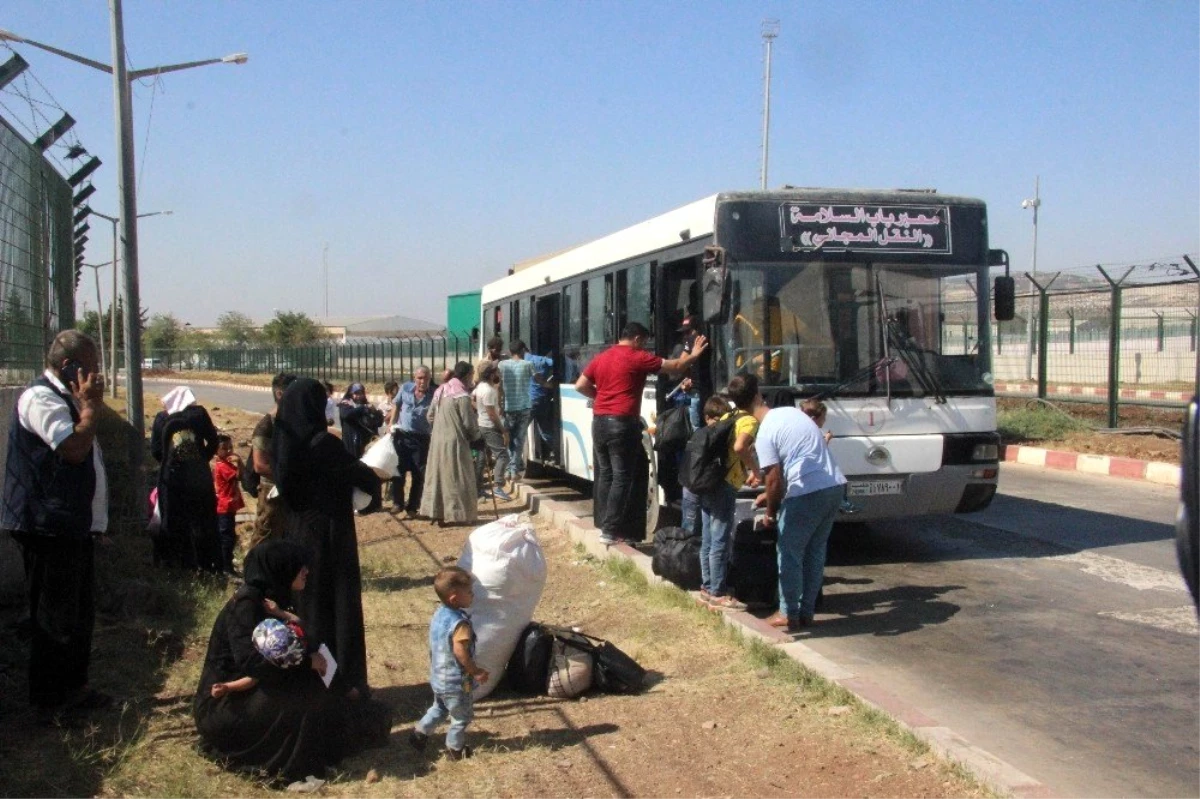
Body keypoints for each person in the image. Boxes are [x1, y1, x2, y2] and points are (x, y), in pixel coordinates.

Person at [1, 330, 111, 717]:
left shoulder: (68, 398)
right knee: (54, 617)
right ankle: (50, 702)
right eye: (92, 368)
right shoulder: (40, 398)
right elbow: (75, 450)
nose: (96, 377)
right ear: (69, 367)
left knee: (78, 614)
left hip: (71, 525)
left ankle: (75, 690)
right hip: (46, 525)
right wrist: (92, 407)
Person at [193, 540, 344, 785]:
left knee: (314, 687)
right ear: (280, 568)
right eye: (299, 566)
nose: (306, 571)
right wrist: (306, 663)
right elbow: (251, 663)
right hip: (223, 704)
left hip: (249, 689)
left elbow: (301, 641)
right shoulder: (247, 604)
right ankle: (292, 767)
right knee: (300, 690)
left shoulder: (273, 598)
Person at [274, 378, 381, 698]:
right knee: (338, 605)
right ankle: (344, 681)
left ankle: (313, 680)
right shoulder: (324, 445)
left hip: (297, 534)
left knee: (308, 607)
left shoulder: (286, 443)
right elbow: (363, 476)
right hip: (330, 535)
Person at [574, 322, 709, 544]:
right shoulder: (637, 357)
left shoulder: (601, 358)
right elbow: (676, 366)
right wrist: (693, 354)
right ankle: (610, 530)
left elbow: (580, 385)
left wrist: (600, 397)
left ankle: (603, 525)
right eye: (644, 342)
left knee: (605, 474)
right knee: (622, 476)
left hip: (599, 423)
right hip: (622, 423)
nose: (644, 346)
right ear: (637, 339)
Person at [753, 393, 847, 632]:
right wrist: (773, 494)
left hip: (809, 492)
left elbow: (773, 478)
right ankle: (807, 613)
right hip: (834, 486)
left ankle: (788, 612)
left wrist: (771, 513)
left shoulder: (765, 431)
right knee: (815, 551)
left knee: (789, 552)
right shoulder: (794, 416)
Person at [409, 566, 489, 761]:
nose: (472, 596)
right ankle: (455, 749)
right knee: (461, 717)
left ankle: (419, 733)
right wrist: (475, 671)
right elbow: (460, 651)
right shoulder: (460, 624)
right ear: (455, 598)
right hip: (455, 682)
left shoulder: (439, 615)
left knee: (439, 708)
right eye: (469, 592)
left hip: (438, 677)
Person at [699, 376, 762, 611]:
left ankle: (707, 587)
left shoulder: (726, 416)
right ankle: (718, 591)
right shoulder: (748, 421)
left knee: (707, 537)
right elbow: (739, 447)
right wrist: (755, 470)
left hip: (708, 481)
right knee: (720, 539)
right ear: (756, 395)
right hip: (724, 484)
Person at [150, 386, 222, 572]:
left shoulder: (161, 418)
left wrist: (169, 464)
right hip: (199, 479)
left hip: (171, 479)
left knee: (172, 520)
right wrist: (200, 460)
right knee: (203, 521)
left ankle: (174, 565)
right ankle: (208, 566)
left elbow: (156, 450)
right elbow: (213, 442)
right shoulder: (199, 415)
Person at [420, 362, 480, 525]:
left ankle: (437, 512)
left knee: (439, 477)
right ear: (467, 375)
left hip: (437, 442)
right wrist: (477, 438)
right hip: (455, 442)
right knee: (458, 478)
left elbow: (430, 416)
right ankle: (458, 515)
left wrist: (441, 427)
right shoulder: (462, 396)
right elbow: (468, 423)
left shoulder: (440, 390)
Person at [250, 372, 295, 549]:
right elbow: (260, 465)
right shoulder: (267, 425)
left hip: (290, 490)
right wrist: (287, 477)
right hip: (272, 492)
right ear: (280, 394)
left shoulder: (292, 423)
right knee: (265, 537)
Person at [498, 340, 549, 487]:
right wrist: (551, 384)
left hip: (507, 407)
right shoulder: (528, 365)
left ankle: (508, 470)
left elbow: (498, 383)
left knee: (508, 439)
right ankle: (513, 471)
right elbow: (540, 381)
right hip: (524, 407)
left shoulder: (502, 365)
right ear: (522, 351)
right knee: (519, 440)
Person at [801, 398, 859, 515]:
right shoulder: (812, 431)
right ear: (813, 419)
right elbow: (819, 449)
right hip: (815, 468)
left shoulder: (804, 430)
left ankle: (842, 503)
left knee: (838, 481)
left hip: (814, 468)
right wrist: (827, 438)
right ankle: (843, 504)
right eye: (823, 418)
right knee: (838, 481)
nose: (824, 420)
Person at [393, 366, 434, 516]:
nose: (422, 381)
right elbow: (396, 406)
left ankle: (412, 506)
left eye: (425, 378)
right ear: (414, 378)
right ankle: (398, 502)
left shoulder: (433, 395)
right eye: (419, 378)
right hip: (402, 436)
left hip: (421, 439)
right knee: (398, 471)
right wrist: (391, 425)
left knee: (418, 474)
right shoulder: (405, 389)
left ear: (430, 378)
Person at [472, 364, 511, 502]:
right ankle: (498, 486)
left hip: (481, 424)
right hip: (489, 427)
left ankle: (478, 489)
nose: (499, 374)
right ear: (491, 374)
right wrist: (503, 431)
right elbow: (492, 414)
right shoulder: (488, 390)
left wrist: (479, 410)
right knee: (503, 456)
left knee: (482, 459)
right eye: (497, 372)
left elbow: (473, 399)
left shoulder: (480, 387)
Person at [212, 433, 245, 575]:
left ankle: (226, 565)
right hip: (224, 506)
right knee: (227, 538)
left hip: (228, 506)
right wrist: (241, 462)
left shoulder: (226, 464)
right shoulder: (222, 466)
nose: (229, 451)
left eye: (230, 447)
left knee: (229, 536)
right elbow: (238, 476)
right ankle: (226, 567)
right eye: (225, 448)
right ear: (216, 451)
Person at [527, 347, 558, 463]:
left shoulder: (518, 363)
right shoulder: (541, 360)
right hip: (542, 400)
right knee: (545, 430)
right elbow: (557, 362)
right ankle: (556, 451)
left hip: (528, 401)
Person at [338, 383, 382, 459]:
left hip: (366, 443)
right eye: (356, 393)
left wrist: (375, 412)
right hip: (352, 442)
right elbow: (346, 415)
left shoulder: (367, 406)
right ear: (351, 394)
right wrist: (363, 408)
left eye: (361, 393)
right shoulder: (345, 404)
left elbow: (379, 423)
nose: (359, 396)